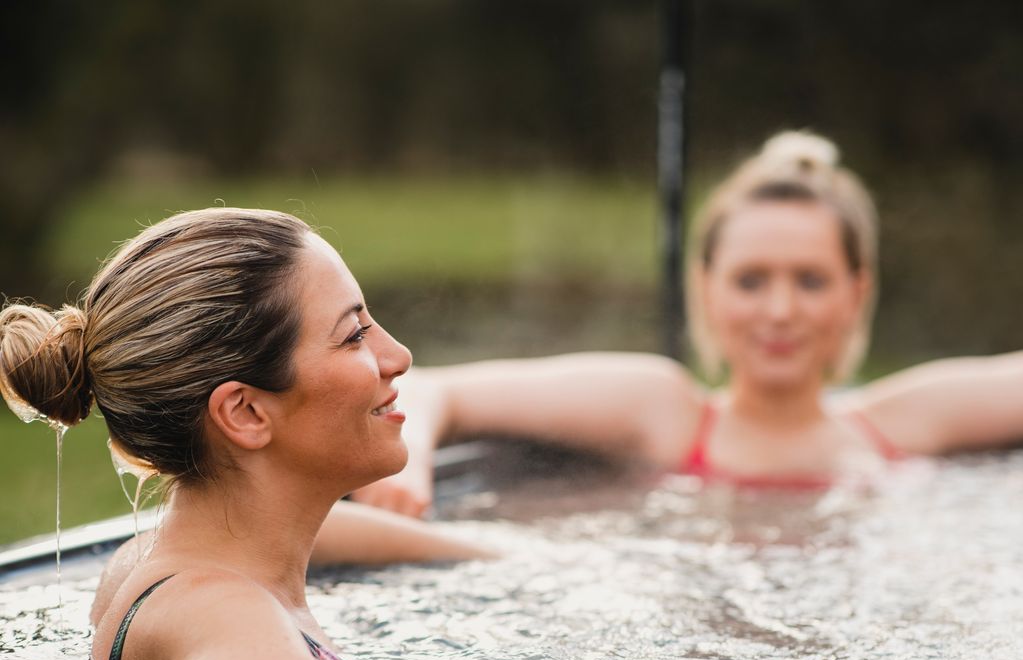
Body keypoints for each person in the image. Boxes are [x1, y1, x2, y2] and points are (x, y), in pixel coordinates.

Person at [0, 208, 764, 660]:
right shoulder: (212, 612)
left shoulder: (173, 555)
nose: (397, 357)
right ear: (245, 412)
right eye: (353, 336)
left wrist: (514, 557)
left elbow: (336, 541)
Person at [352, 131, 1023, 513]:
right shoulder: (665, 411)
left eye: (810, 280)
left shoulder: (899, 422)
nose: (780, 310)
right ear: (705, 289)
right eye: (750, 279)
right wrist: (404, 470)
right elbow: (435, 387)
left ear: (856, 291)